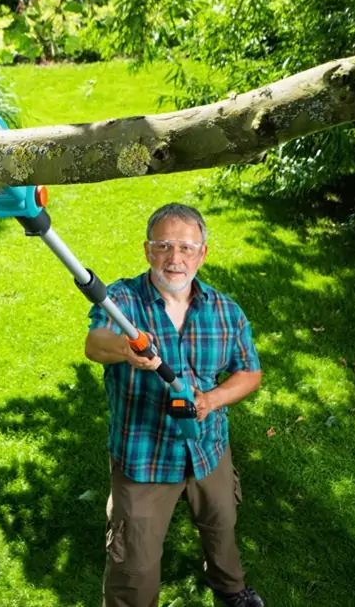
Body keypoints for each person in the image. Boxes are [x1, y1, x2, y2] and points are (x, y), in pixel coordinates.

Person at [85, 203, 264, 607]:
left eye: (186, 247)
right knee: (134, 560)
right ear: (147, 250)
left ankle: (231, 588)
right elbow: (95, 344)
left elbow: (249, 373)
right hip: (143, 456)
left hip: (208, 449)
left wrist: (211, 400)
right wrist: (126, 348)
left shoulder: (226, 311)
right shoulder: (122, 301)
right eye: (164, 246)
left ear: (203, 253)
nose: (175, 258)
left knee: (221, 526)